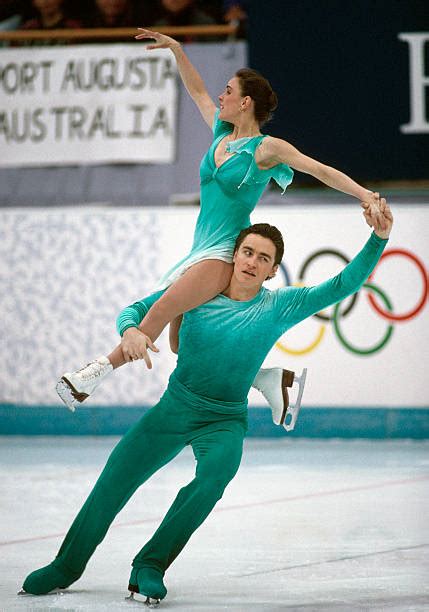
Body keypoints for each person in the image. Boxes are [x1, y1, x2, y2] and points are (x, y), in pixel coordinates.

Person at [21, 202, 392, 603]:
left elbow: (342, 285)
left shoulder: (278, 306)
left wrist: (379, 238)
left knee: (217, 473)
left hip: (225, 420)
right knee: (114, 479)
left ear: (272, 271)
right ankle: (66, 565)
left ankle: (151, 563)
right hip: (175, 408)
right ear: (235, 255)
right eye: (248, 252)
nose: (252, 262)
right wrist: (130, 330)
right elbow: (136, 310)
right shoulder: (199, 289)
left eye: (263, 258)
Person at [55, 27, 383, 422]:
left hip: (224, 250)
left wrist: (365, 195)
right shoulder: (220, 134)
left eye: (228, 90)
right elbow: (196, 92)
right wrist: (177, 50)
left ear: (245, 102)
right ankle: (269, 379)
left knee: (154, 320)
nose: (221, 96)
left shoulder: (265, 149)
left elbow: (319, 169)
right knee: (180, 344)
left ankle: (91, 375)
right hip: (200, 249)